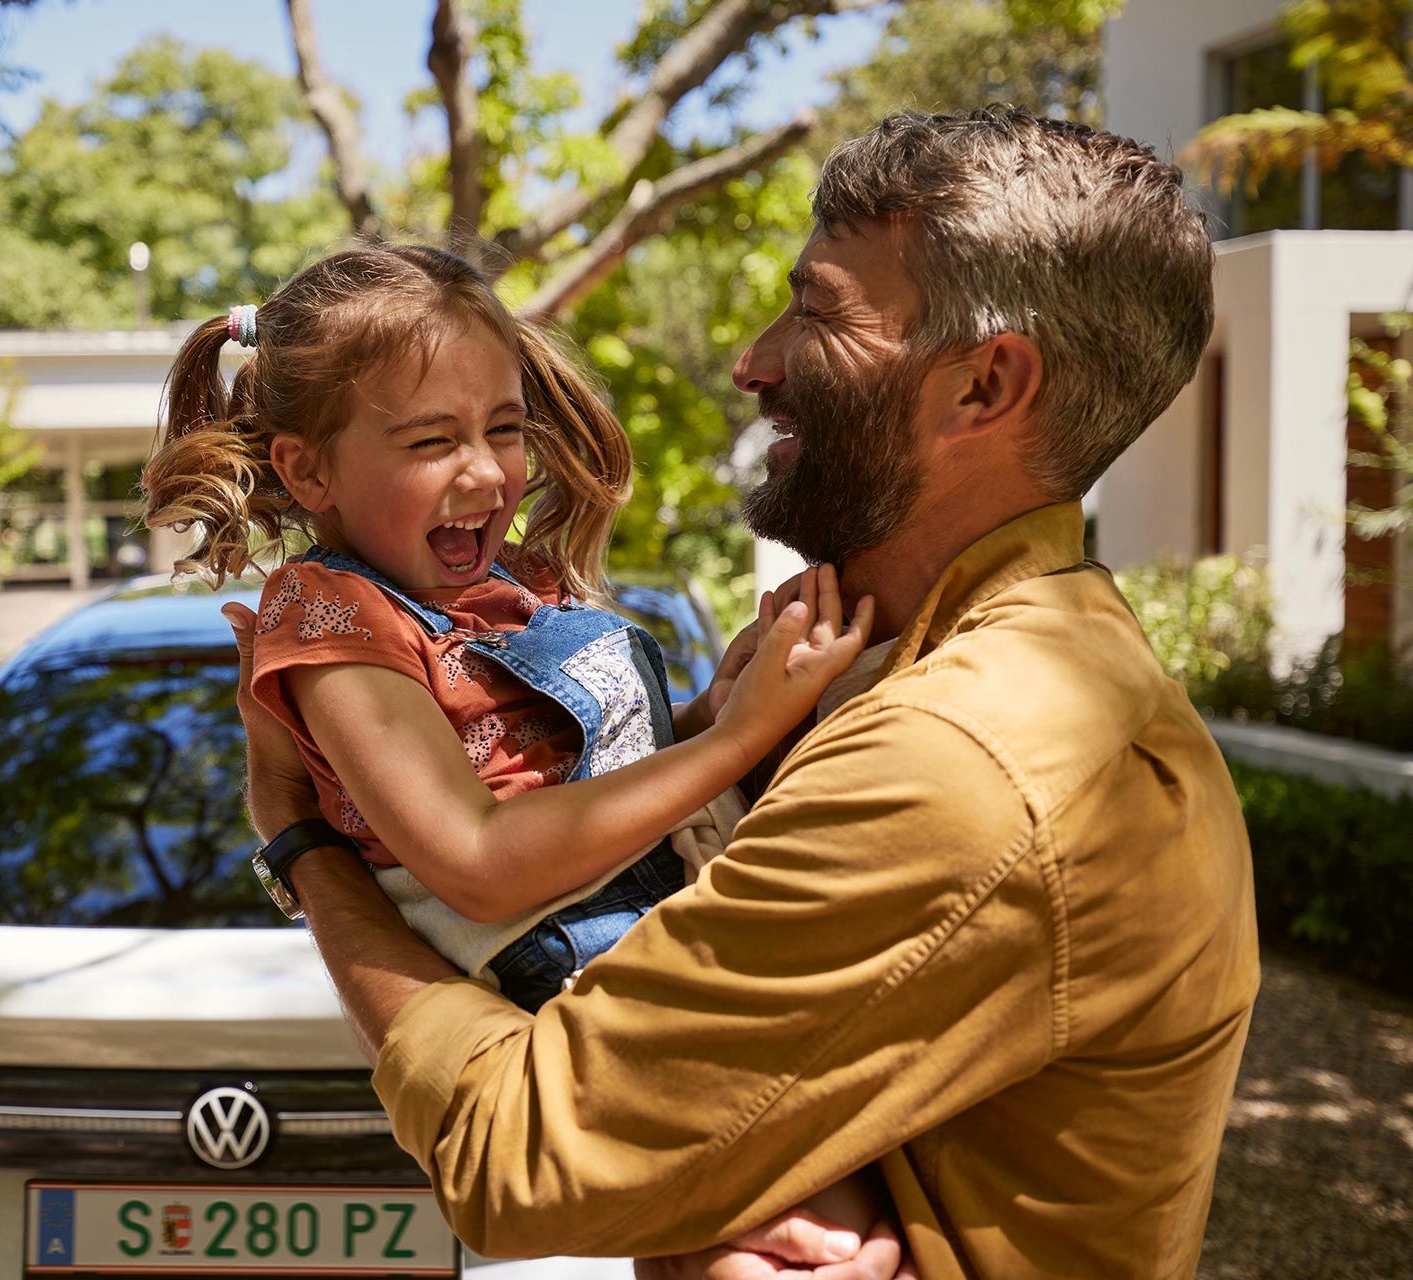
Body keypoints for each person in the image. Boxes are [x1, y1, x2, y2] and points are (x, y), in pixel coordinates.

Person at [227, 107, 1262, 1280]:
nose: (753, 359)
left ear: (983, 386)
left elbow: (516, 1152)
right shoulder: (908, 664)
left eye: (817, 311)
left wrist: (304, 841)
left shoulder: (966, 759)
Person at [141, 244, 872, 1015]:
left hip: (656, 900)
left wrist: (709, 711)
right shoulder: (334, 617)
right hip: (566, 963)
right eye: (431, 441)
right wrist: (739, 740)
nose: (488, 473)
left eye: (504, 429)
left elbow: (571, 777)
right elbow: (481, 862)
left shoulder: (514, 582)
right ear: (309, 471)